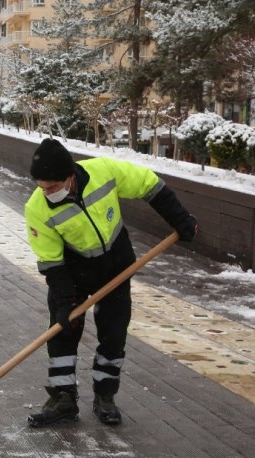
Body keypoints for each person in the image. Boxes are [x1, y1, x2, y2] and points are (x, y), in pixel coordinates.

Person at [24, 138, 197, 427]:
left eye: (52, 187)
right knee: (61, 330)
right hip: (72, 272)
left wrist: (180, 220)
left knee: (114, 334)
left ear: (69, 176)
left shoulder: (103, 171)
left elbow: (149, 185)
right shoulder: (37, 209)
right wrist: (66, 302)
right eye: (42, 187)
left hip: (115, 267)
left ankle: (105, 396)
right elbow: (51, 262)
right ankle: (63, 398)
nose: (47, 193)